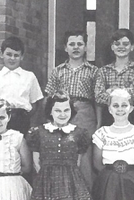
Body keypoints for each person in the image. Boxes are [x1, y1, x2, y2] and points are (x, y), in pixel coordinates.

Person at [45, 30, 99, 185]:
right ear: (65, 47)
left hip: (85, 113)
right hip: (63, 112)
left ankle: (86, 197)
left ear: (86, 47)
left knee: (85, 155)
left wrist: (98, 123)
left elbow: (97, 101)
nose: (76, 48)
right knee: (63, 151)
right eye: (72, 44)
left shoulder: (93, 71)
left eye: (80, 44)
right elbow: (49, 97)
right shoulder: (58, 70)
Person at [0, 36, 44, 134]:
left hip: (21, 120)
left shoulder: (29, 76)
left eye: (16, 55)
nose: (12, 58)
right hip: (0, 119)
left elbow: (34, 104)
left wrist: (24, 116)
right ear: (2, 55)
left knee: (20, 146)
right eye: (9, 54)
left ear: (22, 57)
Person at [94, 29, 134, 127]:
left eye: (125, 44)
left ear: (132, 47)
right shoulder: (103, 71)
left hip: (133, 117)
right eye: (117, 44)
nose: (121, 47)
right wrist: (125, 92)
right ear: (112, 47)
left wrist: (111, 91)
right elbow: (98, 96)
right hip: (109, 118)